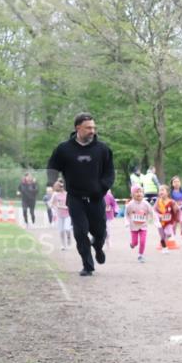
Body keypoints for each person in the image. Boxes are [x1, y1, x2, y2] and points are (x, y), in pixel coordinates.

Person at [46, 112, 115, 276]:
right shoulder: (64, 149)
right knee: (80, 231)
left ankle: (97, 247)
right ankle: (88, 265)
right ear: (78, 128)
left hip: (97, 199)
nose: (92, 131)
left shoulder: (103, 149)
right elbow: (52, 167)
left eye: (94, 127)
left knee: (100, 233)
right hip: (75, 198)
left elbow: (110, 173)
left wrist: (102, 187)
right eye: (88, 128)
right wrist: (52, 182)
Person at [125, 185, 153, 262]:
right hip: (133, 227)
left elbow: (152, 212)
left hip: (143, 226)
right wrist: (126, 222)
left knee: (143, 241)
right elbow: (126, 214)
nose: (139, 193)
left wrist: (155, 221)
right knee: (135, 243)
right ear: (132, 194)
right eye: (137, 192)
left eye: (140, 192)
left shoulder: (146, 204)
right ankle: (132, 244)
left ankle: (140, 255)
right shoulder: (130, 204)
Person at [154, 187, 181, 252]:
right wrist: (158, 216)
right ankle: (164, 247)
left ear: (167, 192)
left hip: (169, 222)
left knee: (168, 233)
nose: (161, 192)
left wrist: (177, 217)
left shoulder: (171, 201)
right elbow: (154, 210)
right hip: (160, 222)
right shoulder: (158, 201)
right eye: (160, 190)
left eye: (163, 190)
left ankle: (166, 240)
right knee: (162, 236)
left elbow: (177, 210)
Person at [50, 180, 71, 250]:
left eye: (61, 186)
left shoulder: (67, 194)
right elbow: (51, 203)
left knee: (67, 228)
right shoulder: (55, 195)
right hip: (60, 215)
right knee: (61, 231)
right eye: (59, 187)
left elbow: (70, 203)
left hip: (67, 214)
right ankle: (63, 245)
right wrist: (55, 207)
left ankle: (68, 237)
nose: (61, 188)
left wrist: (68, 207)